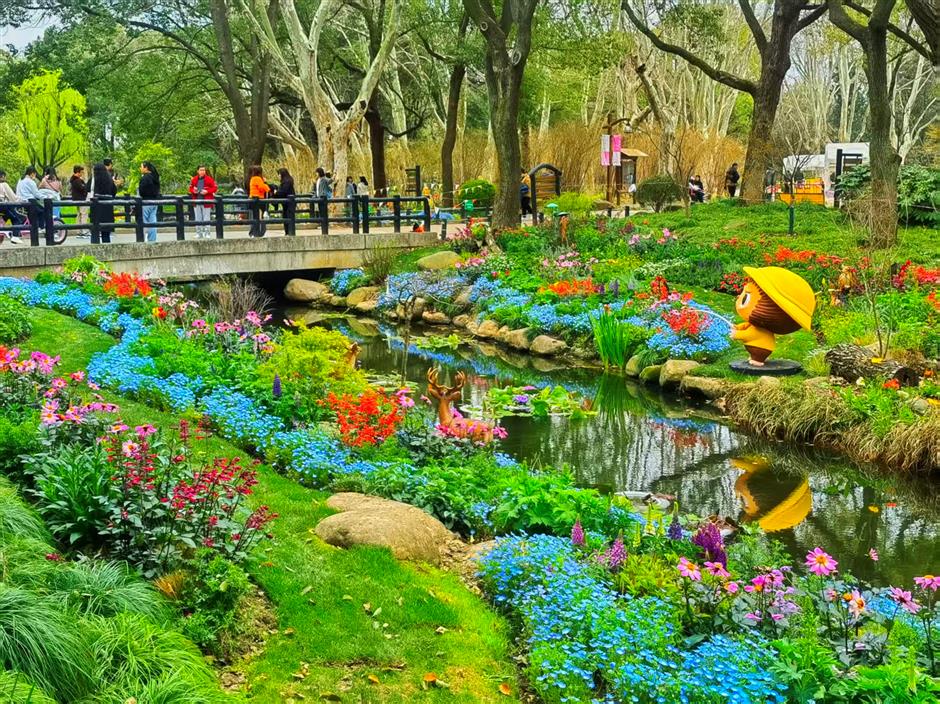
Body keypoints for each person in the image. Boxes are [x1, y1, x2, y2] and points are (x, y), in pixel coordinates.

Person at [90, 160, 117, 243]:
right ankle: (107, 247)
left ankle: (95, 246)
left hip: (97, 206)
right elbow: (114, 191)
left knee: (95, 230)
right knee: (106, 232)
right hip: (107, 206)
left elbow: (90, 190)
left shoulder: (96, 180)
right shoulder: (109, 179)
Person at [188, 165, 218, 239]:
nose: (202, 171)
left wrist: (207, 191)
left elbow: (215, 188)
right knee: (198, 218)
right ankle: (199, 233)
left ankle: (207, 233)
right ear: (197, 171)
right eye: (201, 170)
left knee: (206, 218)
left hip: (206, 201)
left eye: (204, 170)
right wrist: (193, 191)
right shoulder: (194, 179)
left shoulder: (209, 179)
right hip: (197, 201)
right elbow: (190, 188)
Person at [138, 161, 161, 242]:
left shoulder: (145, 178)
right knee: (152, 221)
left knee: (143, 220)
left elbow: (141, 191)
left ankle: (141, 239)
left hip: (146, 201)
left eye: (141, 167)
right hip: (155, 202)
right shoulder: (155, 177)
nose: (140, 168)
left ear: (146, 168)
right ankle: (152, 239)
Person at [0, 170, 24, 244]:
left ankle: (7, 232)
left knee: (6, 219)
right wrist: (21, 201)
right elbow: (13, 197)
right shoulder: (3, 185)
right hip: (2, 207)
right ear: (2, 176)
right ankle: (15, 236)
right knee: (17, 219)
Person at [247, 165, 270, 237]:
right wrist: (266, 186)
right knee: (259, 217)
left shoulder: (252, 178)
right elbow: (261, 187)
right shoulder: (258, 179)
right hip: (259, 199)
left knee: (254, 217)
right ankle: (258, 232)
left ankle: (253, 232)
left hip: (252, 198)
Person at [69, 165, 89, 237]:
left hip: (76, 198)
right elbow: (83, 188)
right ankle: (84, 230)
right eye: (81, 172)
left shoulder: (73, 180)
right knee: (83, 214)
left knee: (79, 214)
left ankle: (79, 230)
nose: (82, 174)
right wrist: (85, 186)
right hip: (81, 199)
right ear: (78, 172)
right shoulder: (77, 180)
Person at [277, 167, 296, 236]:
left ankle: (289, 232)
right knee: (286, 217)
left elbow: (283, 192)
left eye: (279, 174)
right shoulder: (287, 181)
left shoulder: (287, 182)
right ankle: (288, 232)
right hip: (286, 203)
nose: (278, 176)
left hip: (289, 203)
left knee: (288, 216)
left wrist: (276, 192)